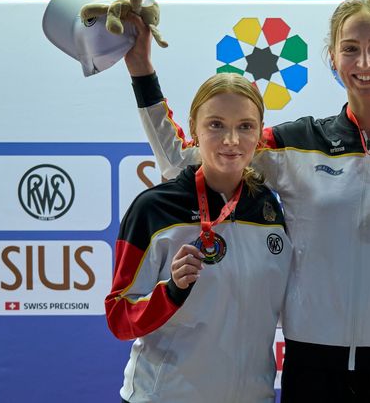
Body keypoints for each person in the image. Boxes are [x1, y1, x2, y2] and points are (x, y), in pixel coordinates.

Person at [123, 0, 370, 402]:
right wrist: (141, 68)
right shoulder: (296, 143)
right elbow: (184, 161)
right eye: (350, 49)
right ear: (332, 57)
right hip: (312, 358)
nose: (364, 63)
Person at [105, 72, 293, 403]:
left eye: (245, 126)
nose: (231, 139)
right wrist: (171, 291)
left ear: (259, 132)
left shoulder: (269, 209)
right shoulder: (155, 209)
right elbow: (119, 317)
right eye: (216, 125)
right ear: (194, 128)